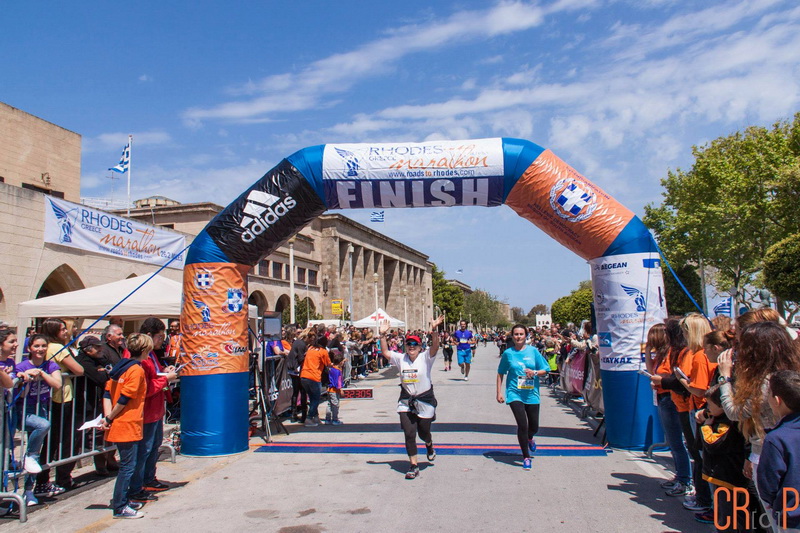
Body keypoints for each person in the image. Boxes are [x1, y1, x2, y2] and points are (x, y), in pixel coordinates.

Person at [380, 315, 444, 479]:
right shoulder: (401, 358)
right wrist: (382, 335)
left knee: (423, 433)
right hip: (406, 401)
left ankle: (429, 444)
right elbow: (385, 352)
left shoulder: (425, 357)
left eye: (415, 344)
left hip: (424, 400)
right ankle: (413, 465)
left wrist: (434, 329)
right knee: (409, 434)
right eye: (409, 344)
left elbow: (435, 346)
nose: (411, 347)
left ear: (420, 347)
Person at [127, 318, 178, 503]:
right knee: (144, 449)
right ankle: (136, 486)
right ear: (148, 336)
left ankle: (148, 478)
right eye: (159, 337)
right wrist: (166, 379)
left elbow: (154, 374)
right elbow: (144, 387)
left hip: (156, 408)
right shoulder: (138, 359)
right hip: (146, 410)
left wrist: (164, 370)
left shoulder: (152, 355)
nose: (162, 341)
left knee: (153, 446)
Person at [102, 333, 151, 520]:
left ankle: (123, 501)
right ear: (144, 350)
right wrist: (109, 418)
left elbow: (107, 393)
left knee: (127, 465)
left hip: (120, 421)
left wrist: (108, 417)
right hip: (128, 422)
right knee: (127, 467)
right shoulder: (136, 370)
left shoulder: (121, 367)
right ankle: (120, 506)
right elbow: (125, 398)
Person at [36, 317, 84, 493]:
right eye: (62, 329)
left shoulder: (47, 347)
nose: (66, 332)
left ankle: (44, 480)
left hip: (50, 398)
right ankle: (54, 479)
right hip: (61, 398)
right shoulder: (56, 348)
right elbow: (79, 369)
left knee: (51, 440)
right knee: (61, 439)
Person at [14, 334, 62, 506]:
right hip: (24, 409)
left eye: (43, 346)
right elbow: (20, 392)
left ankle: (29, 490)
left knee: (35, 454)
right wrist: (26, 376)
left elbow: (58, 384)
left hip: (42, 407)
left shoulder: (50, 365)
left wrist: (42, 373)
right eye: (36, 346)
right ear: (29, 348)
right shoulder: (21, 366)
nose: (40, 349)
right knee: (43, 426)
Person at [647, 322, 693, 496]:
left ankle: (685, 480)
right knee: (673, 441)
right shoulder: (662, 354)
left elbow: (667, 376)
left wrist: (659, 380)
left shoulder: (673, 353)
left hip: (670, 398)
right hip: (663, 397)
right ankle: (680, 476)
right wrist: (647, 352)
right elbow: (653, 372)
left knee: (676, 441)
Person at [496, 324, 550, 471]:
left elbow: (545, 369)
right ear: (512, 336)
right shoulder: (508, 353)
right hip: (514, 393)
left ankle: (530, 438)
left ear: (526, 336)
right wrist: (499, 392)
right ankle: (526, 457)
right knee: (522, 425)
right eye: (516, 334)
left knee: (534, 426)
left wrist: (535, 372)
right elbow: (500, 373)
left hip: (532, 394)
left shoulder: (533, 351)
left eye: (521, 334)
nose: (518, 337)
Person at [697, 384, 749, 532]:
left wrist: (706, 427)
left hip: (727, 477)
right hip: (724, 476)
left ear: (722, 405)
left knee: (726, 517)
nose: (708, 408)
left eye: (710, 405)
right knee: (728, 513)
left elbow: (713, 444)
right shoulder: (718, 417)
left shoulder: (727, 423)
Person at [758, 370, 800, 531]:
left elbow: (768, 484)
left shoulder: (776, 439)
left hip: (792, 517)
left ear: (777, 400)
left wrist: (774, 502)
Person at [73, 335, 117, 475]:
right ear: (88, 349)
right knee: (93, 434)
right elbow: (100, 378)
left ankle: (108, 460)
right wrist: (105, 372)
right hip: (86, 403)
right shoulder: (82, 360)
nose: (100, 349)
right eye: (97, 347)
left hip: (101, 400)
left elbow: (113, 370)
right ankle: (100, 464)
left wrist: (106, 371)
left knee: (103, 431)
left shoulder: (100, 358)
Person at [300, 334, 331, 427]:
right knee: (316, 399)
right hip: (314, 377)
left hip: (303, 375)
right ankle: (309, 418)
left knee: (312, 398)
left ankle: (316, 417)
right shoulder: (323, 351)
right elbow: (328, 364)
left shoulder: (310, 348)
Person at [285, 326, 308, 422]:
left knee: (295, 392)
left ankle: (294, 414)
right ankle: (302, 415)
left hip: (293, 369)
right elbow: (300, 358)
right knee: (302, 392)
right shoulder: (301, 344)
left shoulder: (297, 342)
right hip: (297, 370)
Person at [324, 348, 345, 425]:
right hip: (335, 390)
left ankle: (327, 419)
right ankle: (335, 419)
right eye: (343, 362)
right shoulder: (337, 371)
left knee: (329, 404)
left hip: (329, 389)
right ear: (340, 362)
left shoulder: (331, 369)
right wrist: (341, 390)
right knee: (335, 405)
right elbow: (338, 382)